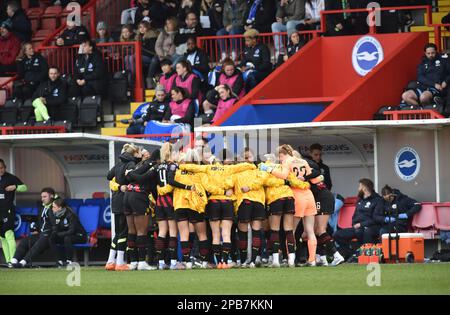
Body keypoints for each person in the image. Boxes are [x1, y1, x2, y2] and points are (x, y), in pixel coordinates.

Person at [179, 150, 255, 268]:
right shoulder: (228, 169)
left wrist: (181, 165)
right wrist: (252, 165)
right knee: (226, 234)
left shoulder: (208, 169)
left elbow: (196, 171)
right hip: (227, 202)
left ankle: (218, 262)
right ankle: (225, 262)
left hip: (213, 202)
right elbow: (243, 166)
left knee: (215, 234)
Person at [265, 145, 318, 266]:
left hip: (297, 195)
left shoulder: (286, 161)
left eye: (279, 156)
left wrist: (269, 169)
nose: (279, 159)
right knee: (310, 231)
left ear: (281, 154)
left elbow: (283, 175)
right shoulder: (303, 161)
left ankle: (289, 259)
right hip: (309, 195)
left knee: (290, 231)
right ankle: (312, 260)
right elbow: (314, 179)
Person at [159, 148, 210, 269]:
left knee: (183, 234)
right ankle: (204, 262)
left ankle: (187, 262)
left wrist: (159, 189)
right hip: (195, 205)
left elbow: (169, 187)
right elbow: (209, 187)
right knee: (202, 234)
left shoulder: (178, 171)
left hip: (180, 205)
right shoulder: (200, 172)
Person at [155, 142, 193, 270]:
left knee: (161, 232)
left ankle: (160, 263)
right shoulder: (173, 166)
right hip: (170, 200)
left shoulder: (159, 166)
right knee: (172, 232)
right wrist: (186, 187)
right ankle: (172, 262)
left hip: (159, 201)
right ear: (172, 153)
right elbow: (171, 181)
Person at [258, 154, 297, 267]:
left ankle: (275, 260)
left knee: (274, 230)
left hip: (275, 198)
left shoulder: (263, 168)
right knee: (289, 230)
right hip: (289, 197)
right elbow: (293, 180)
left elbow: (262, 182)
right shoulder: (282, 167)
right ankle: (291, 260)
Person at [124, 145, 158, 271]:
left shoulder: (138, 165)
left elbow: (128, 177)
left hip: (127, 195)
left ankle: (133, 262)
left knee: (131, 231)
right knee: (141, 231)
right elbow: (146, 181)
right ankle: (142, 262)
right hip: (138, 196)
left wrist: (130, 174)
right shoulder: (152, 166)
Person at [333, 178, 384, 262]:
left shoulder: (377, 200)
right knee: (337, 234)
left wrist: (362, 225)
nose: (358, 189)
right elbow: (355, 215)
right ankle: (351, 253)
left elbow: (376, 218)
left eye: (359, 186)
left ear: (364, 188)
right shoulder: (360, 200)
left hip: (371, 227)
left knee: (364, 232)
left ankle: (363, 255)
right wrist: (354, 223)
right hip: (357, 227)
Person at [105, 144, 137, 271]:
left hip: (116, 199)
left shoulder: (118, 164)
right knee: (124, 232)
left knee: (118, 232)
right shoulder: (130, 164)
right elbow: (132, 177)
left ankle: (110, 261)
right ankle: (120, 262)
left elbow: (108, 176)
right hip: (124, 199)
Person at [11, 187, 56, 268]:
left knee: (41, 240)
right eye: (42, 197)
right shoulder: (42, 207)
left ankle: (22, 263)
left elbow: (56, 224)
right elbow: (41, 221)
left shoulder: (56, 207)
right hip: (42, 234)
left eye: (45, 197)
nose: (42, 199)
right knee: (25, 241)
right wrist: (36, 229)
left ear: (52, 196)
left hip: (51, 235)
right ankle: (13, 261)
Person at [401, 43, 450, 108]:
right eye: (428, 53)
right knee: (405, 95)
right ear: (425, 53)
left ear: (436, 51)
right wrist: (433, 84)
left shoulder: (444, 60)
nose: (431, 55)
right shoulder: (422, 63)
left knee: (423, 97)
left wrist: (446, 82)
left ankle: (431, 110)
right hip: (424, 87)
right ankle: (420, 110)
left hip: (437, 88)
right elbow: (420, 77)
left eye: (433, 53)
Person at [0, 159, 27, 266]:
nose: (0, 170)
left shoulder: (11, 177)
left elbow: (24, 187)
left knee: (9, 234)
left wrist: (15, 187)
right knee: (2, 237)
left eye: (1, 167)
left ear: (5, 167)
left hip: (8, 210)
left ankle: (13, 260)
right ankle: (8, 261)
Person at [48, 198, 87, 267]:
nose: (52, 209)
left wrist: (59, 234)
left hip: (80, 236)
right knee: (52, 238)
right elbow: (56, 228)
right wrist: (55, 232)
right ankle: (59, 261)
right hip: (66, 235)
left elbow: (72, 231)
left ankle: (69, 261)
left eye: (54, 207)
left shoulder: (71, 215)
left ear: (60, 208)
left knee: (67, 238)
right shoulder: (57, 215)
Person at [149, 17, 178, 84]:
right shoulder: (163, 33)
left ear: (174, 24)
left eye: (169, 23)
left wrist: (168, 55)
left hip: (171, 55)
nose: (167, 25)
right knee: (154, 61)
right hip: (161, 55)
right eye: (167, 23)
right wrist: (163, 54)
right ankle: (149, 80)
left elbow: (175, 46)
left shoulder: (177, 34)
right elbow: (157, 46)